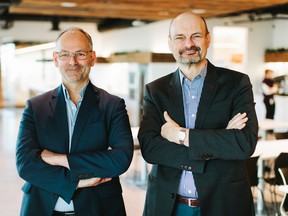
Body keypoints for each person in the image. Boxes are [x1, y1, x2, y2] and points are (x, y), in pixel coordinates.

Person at [137, 12, 259, 216]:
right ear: (170, 43)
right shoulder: (155, 91)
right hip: (169, 206)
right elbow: (150, 149)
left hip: (224, 204)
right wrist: (220, 141)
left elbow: (244, 143)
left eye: (196, 36)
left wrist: (179, 136)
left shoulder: (236, 83)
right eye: (180, 38)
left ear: (208, 39)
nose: (188, 44)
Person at [16, 27, 134, 216]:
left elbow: (121, 159)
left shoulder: (112, 105)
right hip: (43, 208)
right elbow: (25, 164)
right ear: (56, 59)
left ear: (92, 58)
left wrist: (60, 159)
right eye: (65, 55)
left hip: (98, 208)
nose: (72, 62)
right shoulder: (36, 107)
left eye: (80, 54)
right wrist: (77, 181)